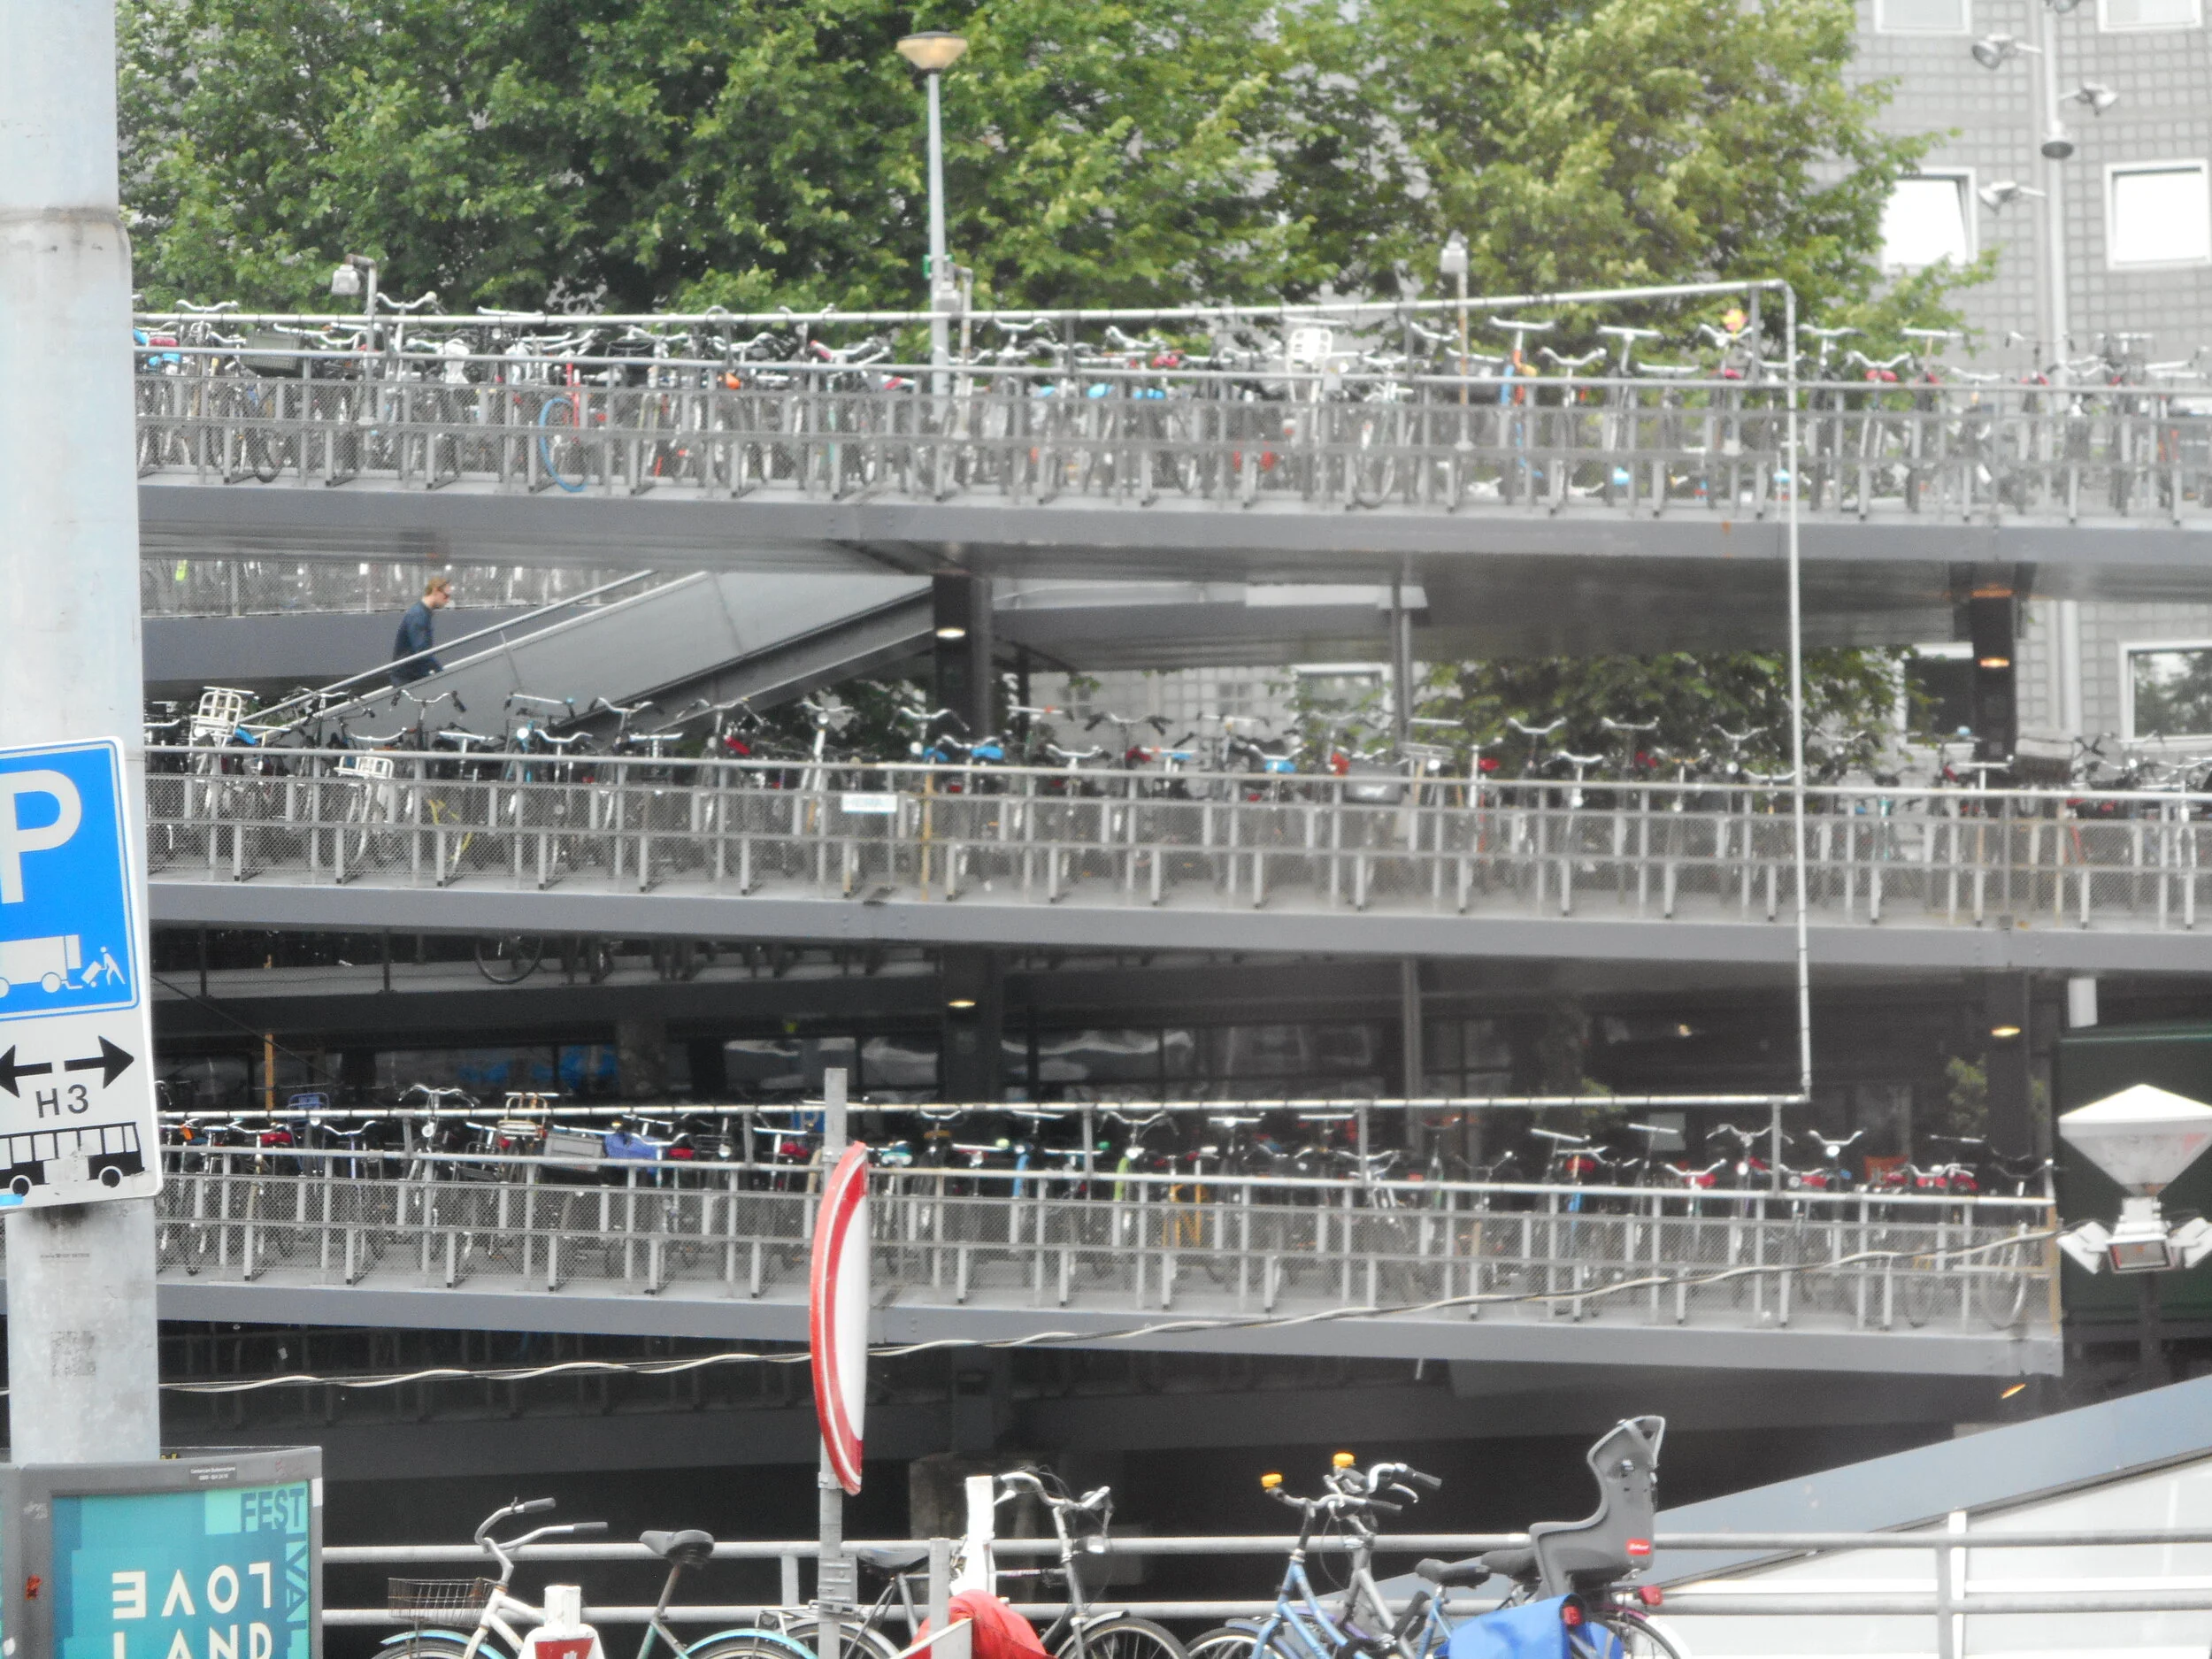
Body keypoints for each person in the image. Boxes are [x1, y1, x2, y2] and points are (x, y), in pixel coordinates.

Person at [390, 577, 453, 686]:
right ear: (435, 591)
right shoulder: (419, 615)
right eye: (446, 596)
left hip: (411, 676)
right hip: (408, 679)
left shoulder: (422, 613)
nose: (448, 600)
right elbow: (422, 651)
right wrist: (441, 672)